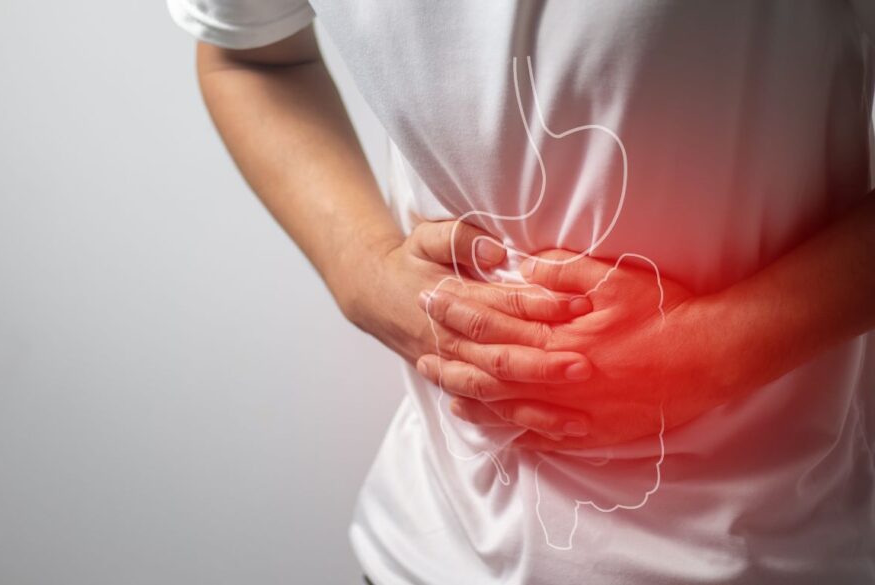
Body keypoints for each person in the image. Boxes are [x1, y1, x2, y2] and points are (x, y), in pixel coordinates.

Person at [169, 1, 875, 583]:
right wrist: (364, 271)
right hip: (429, 549)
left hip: (768, 551)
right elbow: (249, 52)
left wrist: (713, 347)